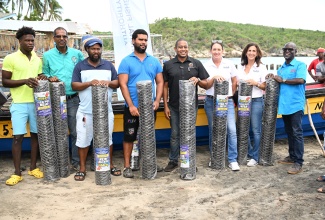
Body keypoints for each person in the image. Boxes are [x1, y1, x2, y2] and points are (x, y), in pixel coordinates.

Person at [2, 26, 47, 185]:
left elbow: (39, 75)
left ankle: (33, 167)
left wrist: (42, 77)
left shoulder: (36, 57)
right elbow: (5, 81)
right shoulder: (10, 58)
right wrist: (25, 81)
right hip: (19, 103)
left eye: (32, 40)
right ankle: (16, 173)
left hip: (36, 103)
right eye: (27, 40)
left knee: (36, 136)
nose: (30, 43)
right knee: (18, 137)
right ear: (19, 41)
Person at [71, 35, 120, 181]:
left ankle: (109, 165)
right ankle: (82, 168)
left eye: (98, 49)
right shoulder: (80, 66)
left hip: (106, 111)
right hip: (86, 111)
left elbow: (117, 83)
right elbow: (74, 85)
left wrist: (107, 82)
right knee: (83, 140)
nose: (96, 51)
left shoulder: (108, 65)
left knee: (107, 139)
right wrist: (89, 83)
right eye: (93, 49)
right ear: (87, 50)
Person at [118, 29, 164, 178]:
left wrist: (157, 100)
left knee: (148, 136)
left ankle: (149, 163)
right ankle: (127, 167)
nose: (143, 42)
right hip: (133, 108)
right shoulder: (126, 61)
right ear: (133, 41)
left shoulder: (154, 61)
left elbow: (160, 81)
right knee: (129, 137)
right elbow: (123, 84)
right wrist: (130, 105)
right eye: (140, 40)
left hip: (150, 108)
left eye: (145, 40)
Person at [163, 38, 209, 172]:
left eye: (185, 47)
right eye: (180, 47)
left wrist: (198, 79)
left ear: (188, 48)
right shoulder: (168, 65)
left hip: (190, 107)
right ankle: (173, 160)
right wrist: (165, 105)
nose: (183, 49)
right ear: (175, 49)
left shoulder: (196, 63)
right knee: (175, 134)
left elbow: (206, 83)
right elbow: (165, 86)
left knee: (189, 134)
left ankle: (190, 161)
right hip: (174, 106)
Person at [42, 27, 84, 171]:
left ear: (68, 38)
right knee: (59, 132)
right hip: (56, 99)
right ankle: (61, 162)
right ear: (54, 38)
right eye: (58, 36)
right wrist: (49, 78)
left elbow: (83, 71)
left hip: (73, 99)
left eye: (64, 36)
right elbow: (44, 73)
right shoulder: (47, 56)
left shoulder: (77, 54)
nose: (61, 39)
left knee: (75, 131)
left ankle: (76, 161)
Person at [267, 42, 306, 174]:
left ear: (295, 51)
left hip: (296, 105)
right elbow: (278, 83)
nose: (287, 51)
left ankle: (299, 162)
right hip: (285, 106)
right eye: (285, 49)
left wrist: (282, 80)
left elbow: (300, 80)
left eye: (290, 49)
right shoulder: (281, 68)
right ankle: (292, 156)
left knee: (297, 133)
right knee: (289, 132)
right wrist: (272, 77)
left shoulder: (300, 65)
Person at [203, 40, 239, 171]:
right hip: (211, 101)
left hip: (226, 101)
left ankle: (232, 159)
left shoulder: (229, 64)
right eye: (214, 49)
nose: (217, 52)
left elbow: (235, 80)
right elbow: (205, 85)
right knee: (214, 130)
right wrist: (213, 78)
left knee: (231, 130)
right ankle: (215, 158)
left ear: (222, 51)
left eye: (219, 49)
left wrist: (231, 93)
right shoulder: (206, 65)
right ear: (210, 51)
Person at [237, 43, 267, 167]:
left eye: (254, 51)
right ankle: (249, 152)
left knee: (256, 130)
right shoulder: (240, 67)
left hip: (256, 101)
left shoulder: (261, 67)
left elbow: (265, 85)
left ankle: (255, 156)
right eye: (249, 50)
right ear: (245, 52)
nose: (251, 53)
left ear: (257, 53)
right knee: (243, 128)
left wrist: (256, 83)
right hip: (243, 102)